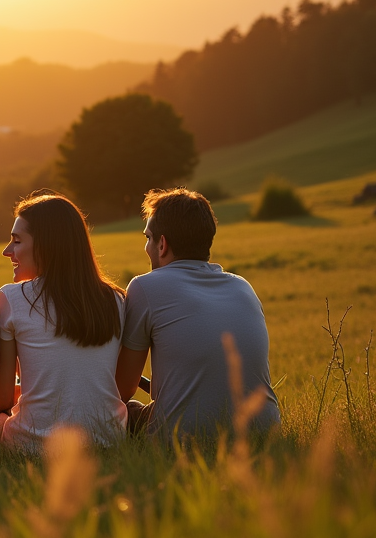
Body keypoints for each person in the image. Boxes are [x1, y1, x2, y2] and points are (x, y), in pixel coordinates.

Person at [115, 188, 281, 438]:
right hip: (264, 434)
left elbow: (122, 389)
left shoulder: (144, 287)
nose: (146, 247)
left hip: (182, 439)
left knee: (123, 411)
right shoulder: (242, 286)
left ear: (162, 245)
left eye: (148, 238)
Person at [0, 193, 127, 451]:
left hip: (32, 446)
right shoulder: (116, 300)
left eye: (17, 241)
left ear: (47, 245)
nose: (7, 251)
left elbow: (3, 397)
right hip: (107, 442)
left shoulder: (11, 298)